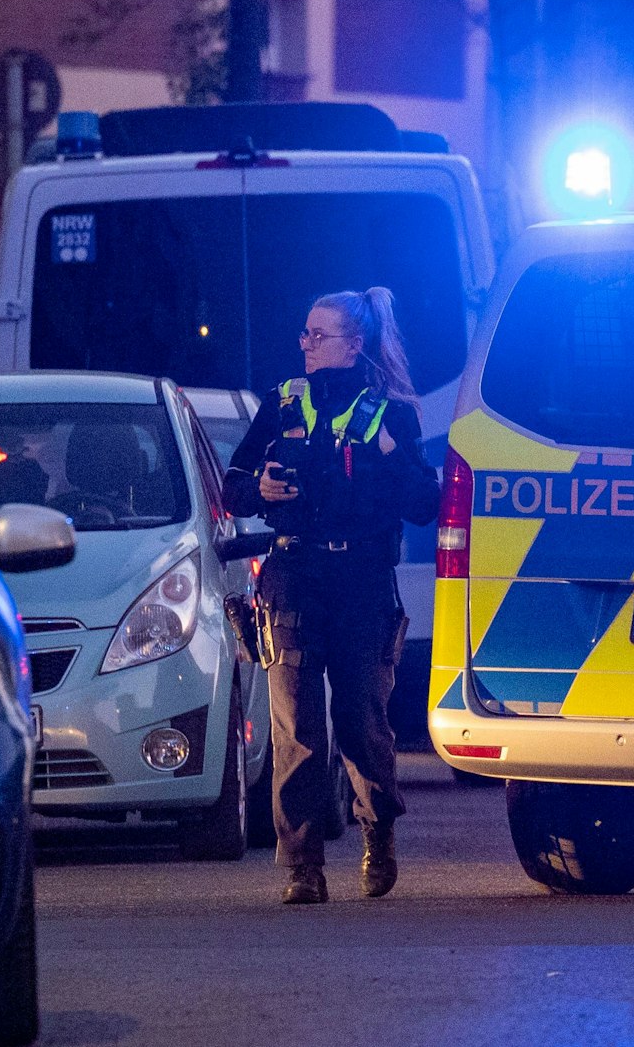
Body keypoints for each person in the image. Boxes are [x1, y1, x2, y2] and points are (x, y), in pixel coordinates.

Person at [224, 288, 439, 904]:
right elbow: (235, 485)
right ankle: (302, 865)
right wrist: (261, 488)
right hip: (293, 573)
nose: (306, 345)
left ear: (354, 344)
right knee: (296, 721)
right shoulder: (283, 402)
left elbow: (425, 505)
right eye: (304, 334)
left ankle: (379, 831)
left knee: (360, 719)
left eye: (319, 335)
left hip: (363, 580)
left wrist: (394, 460)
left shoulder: (391, 412)